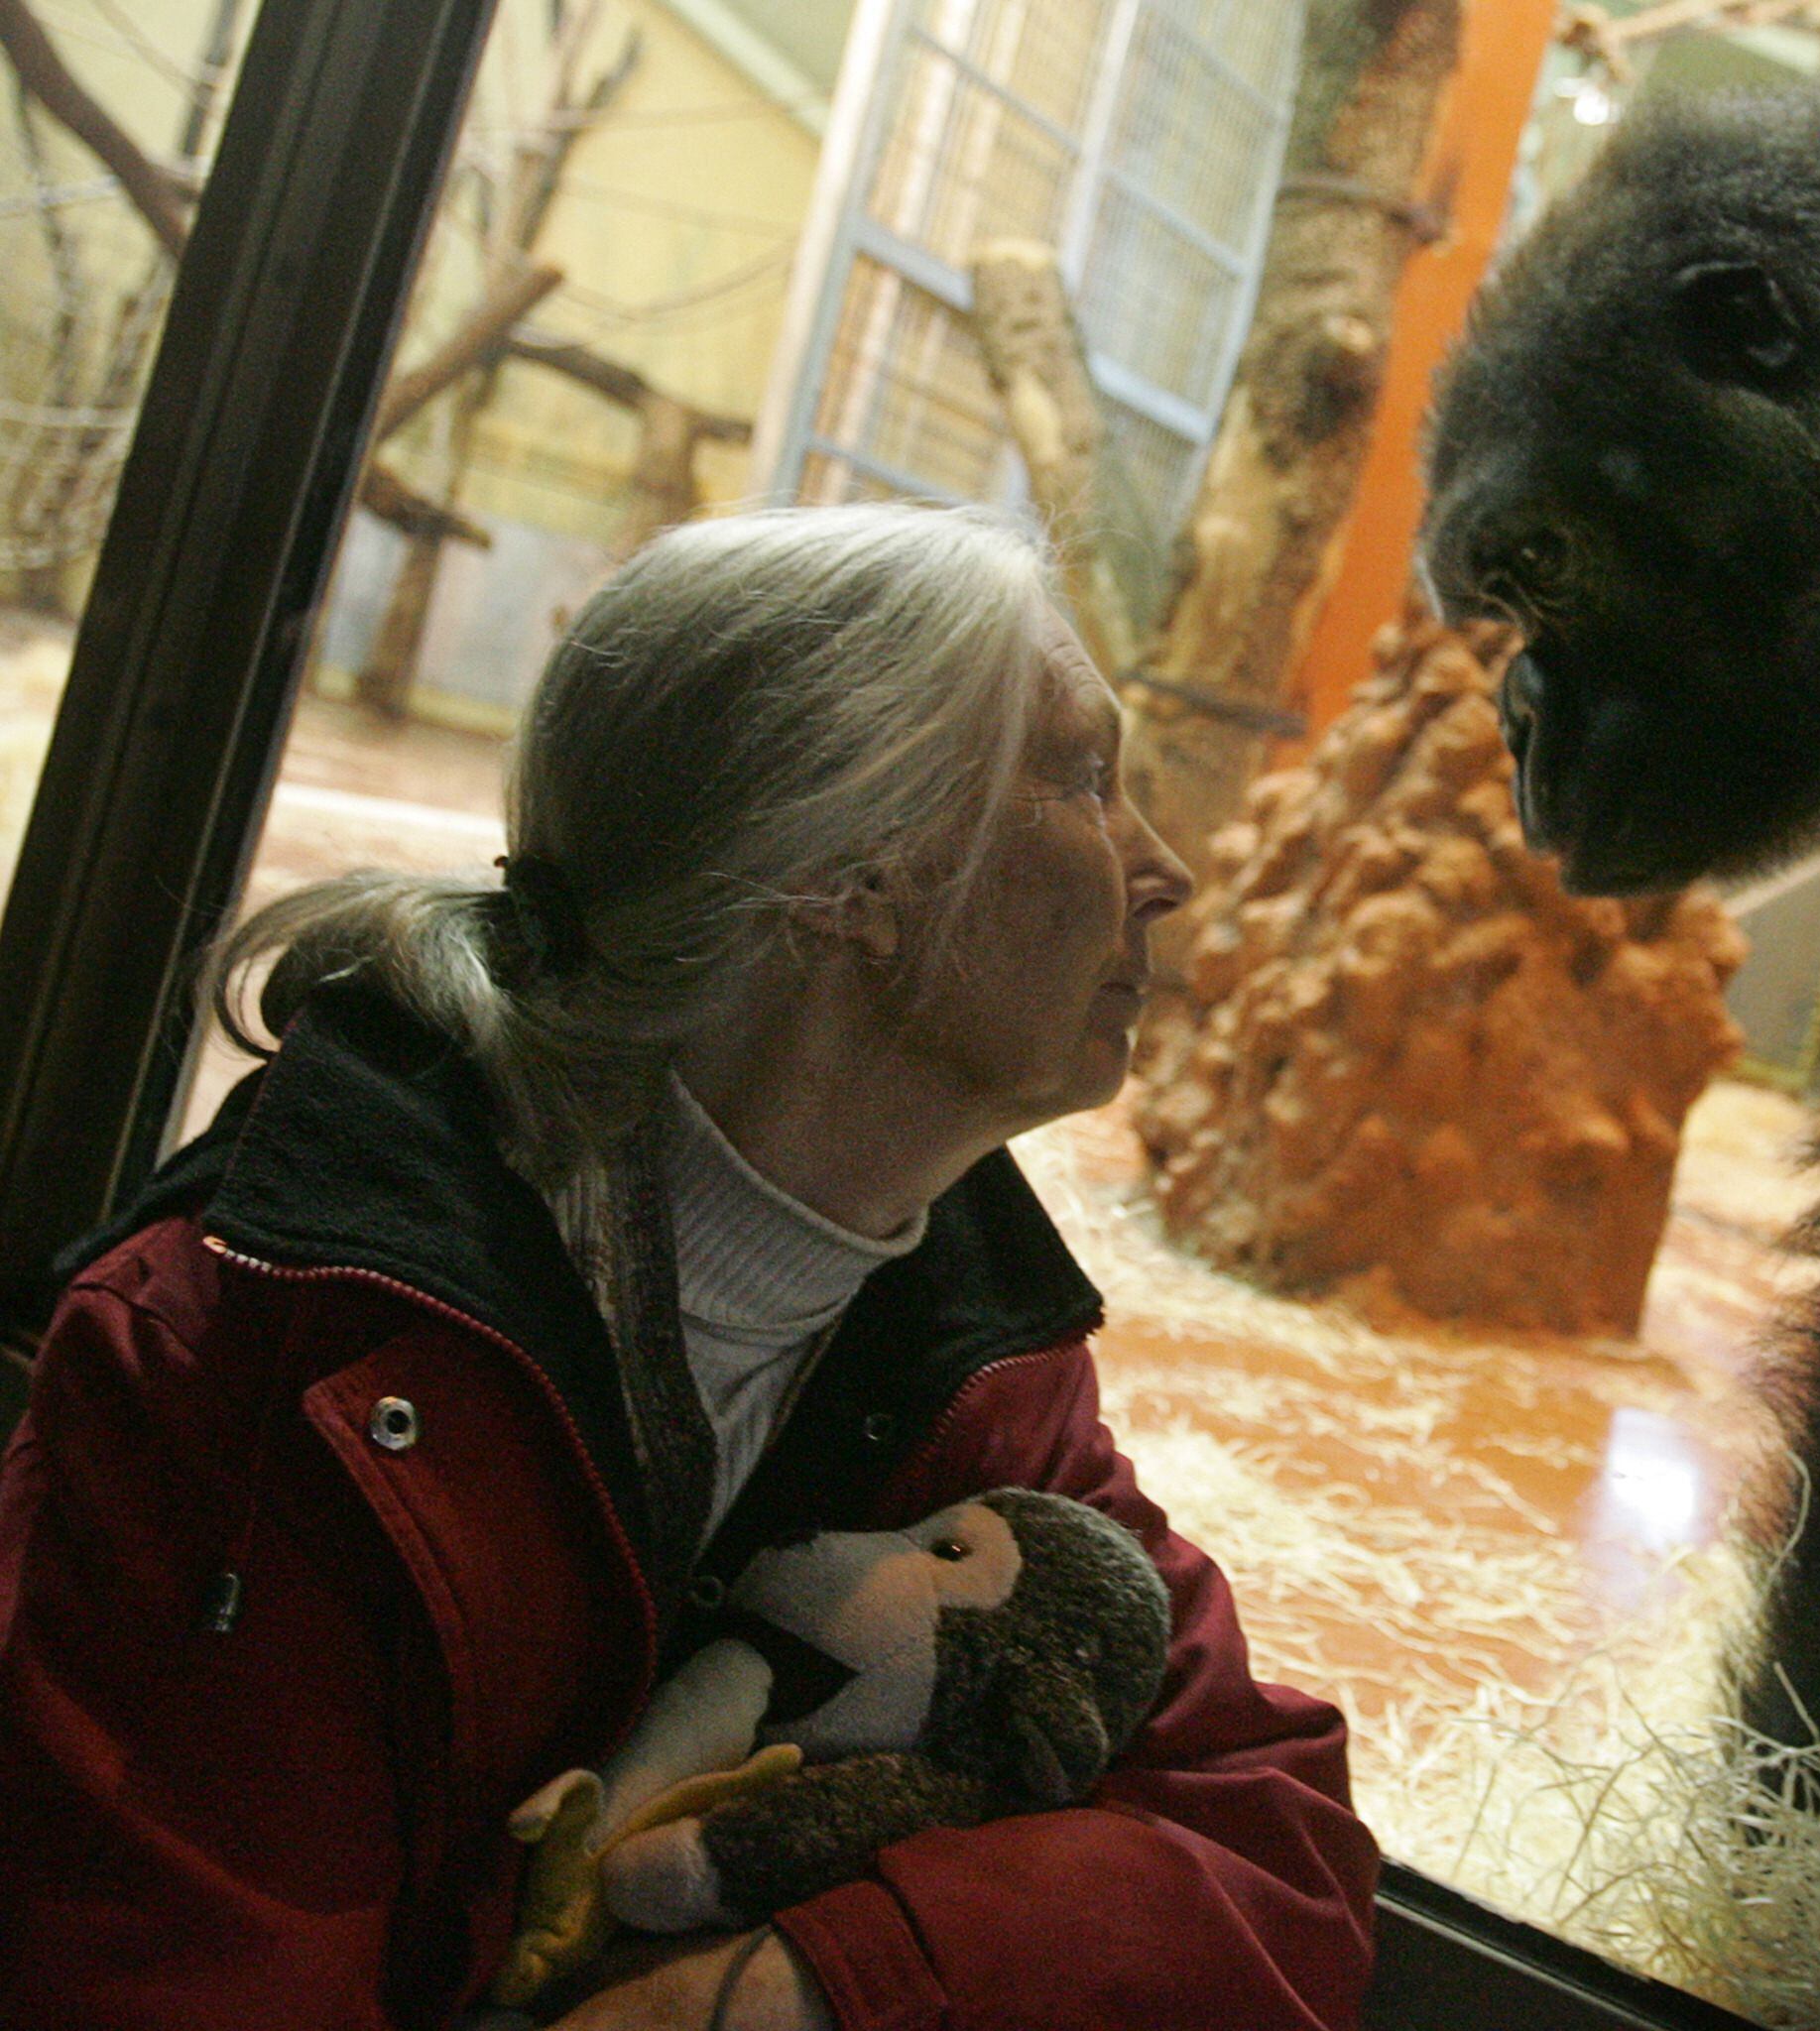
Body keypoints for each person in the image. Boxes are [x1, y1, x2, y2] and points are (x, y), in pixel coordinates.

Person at [0, 505, 1380, 2029]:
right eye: (1084, 777)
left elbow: (1281, 1852)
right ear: (850, 881)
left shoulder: (973, 1342)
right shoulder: (255, 1361)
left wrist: (798, 1988)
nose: (1165, 867)